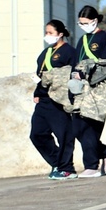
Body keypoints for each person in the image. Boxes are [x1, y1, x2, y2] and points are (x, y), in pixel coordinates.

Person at [71, 6, 106, 177]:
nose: (82, 26)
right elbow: (76, 63)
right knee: (77, 127)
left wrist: (87, 71)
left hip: (98, 89)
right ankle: (104, 151)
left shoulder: (104, 38)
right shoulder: (82, 40)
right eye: (80, 23)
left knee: (90, 126)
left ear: (95, 21)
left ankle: (91, 165)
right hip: (81, 90)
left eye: (85, 23)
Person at [31, 20, 78, 180]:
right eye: (46, 32)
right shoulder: (45, 53)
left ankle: (67, 168)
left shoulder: (69, 52)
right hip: (43, 99)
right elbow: (41, 76)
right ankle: (57, 162)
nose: (47, 36)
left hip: (59, 99)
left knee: (64, 134)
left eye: (50, 32)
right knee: (37, 134)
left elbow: (74, 74)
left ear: (60, 33)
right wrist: (37, 92)